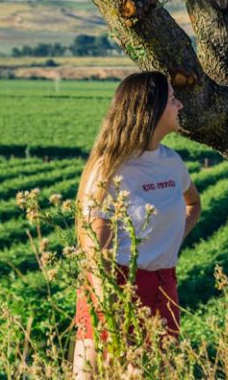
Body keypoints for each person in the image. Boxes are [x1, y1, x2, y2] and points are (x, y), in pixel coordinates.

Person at [72, 71, 201, 378]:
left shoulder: (172, 162)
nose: (180, 105)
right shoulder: (109, 169)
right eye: (172, 99)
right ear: (151, 110)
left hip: (164, 284)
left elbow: (193, 205)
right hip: (116, 285)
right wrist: (110, 306)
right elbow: (95, 255)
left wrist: (168, 243)